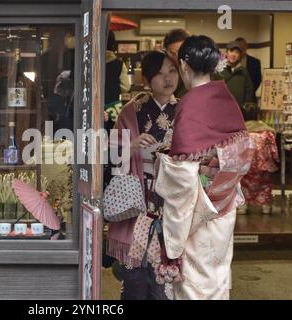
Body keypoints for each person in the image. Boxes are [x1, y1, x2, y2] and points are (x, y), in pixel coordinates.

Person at [154, 35, 255, 299]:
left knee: (194, 283)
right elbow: (241, 156)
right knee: (217, 276)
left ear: (185, 64)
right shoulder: (226, 98)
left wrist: (164, 163)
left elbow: (182, 178)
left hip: (197, 214)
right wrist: (213, 171)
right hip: (223, 206)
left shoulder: (190, 103)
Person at [106, 50, 179, 300]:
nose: (167, 79)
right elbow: (110, 150)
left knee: (165, 275)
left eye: (172, 72)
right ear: (147, 80)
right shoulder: (132, 109)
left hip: (171, 198)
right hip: (137, 196)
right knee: (134, 275)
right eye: (159, 74)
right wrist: (131, 144)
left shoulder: (184, 110)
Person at [104, 30, 131, 131]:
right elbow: (126, 87)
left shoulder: (91, 62)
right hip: (112, 108)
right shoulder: (119, 64)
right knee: (113, 137)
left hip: (94, 107)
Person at [221, 41, 255, 110]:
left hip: (239, 111)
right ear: (226, 53)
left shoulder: (244, 72)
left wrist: (245, 108)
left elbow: (249, 92)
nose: (233, 54)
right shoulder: (219, 70)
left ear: (240, 56)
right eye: (231, 51)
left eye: (237, 52)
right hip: (221, 109)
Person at [163, 28, 190, 98]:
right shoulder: (162, 69)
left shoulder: (194, 71)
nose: (177, 58)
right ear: (165, 51)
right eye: (172, 53)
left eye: (180, 52)